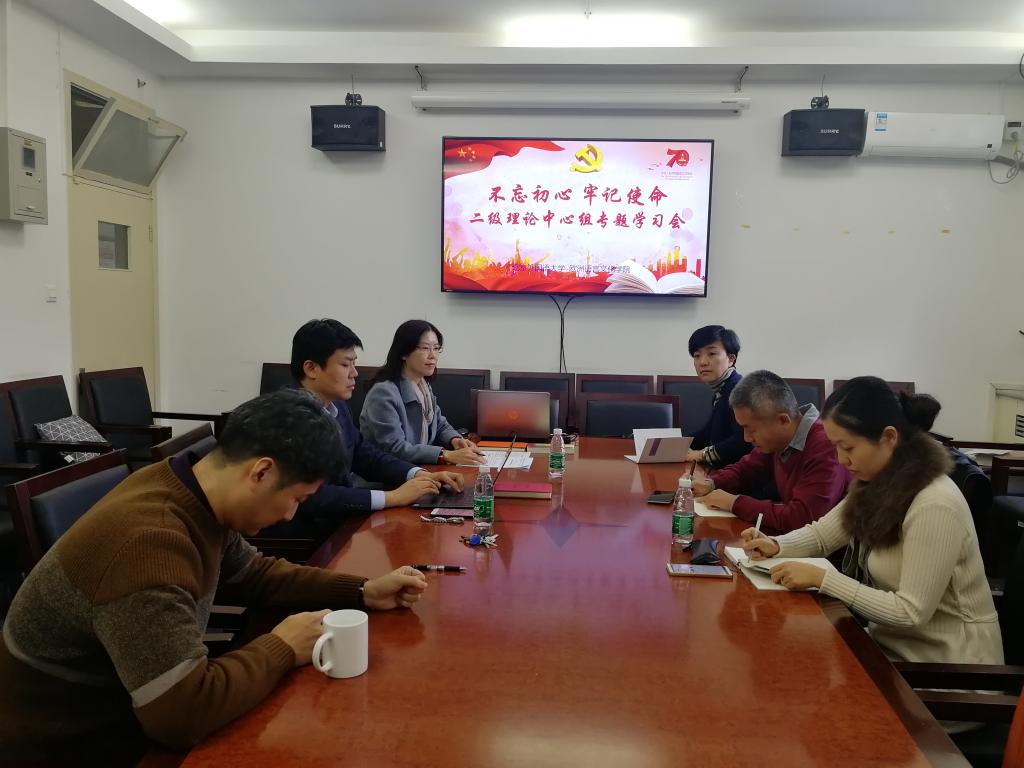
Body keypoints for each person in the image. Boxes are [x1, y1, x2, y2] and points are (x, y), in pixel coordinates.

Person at [0, 389, 430, 765]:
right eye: (297, 499)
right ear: (261, 472)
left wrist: (362, 590)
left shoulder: (193, 489)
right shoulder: (150, 543)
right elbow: (180, 714)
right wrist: (282, 646)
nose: (290, 515)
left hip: (131, 710)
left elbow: (255, 574)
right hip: (78, 747)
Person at [741, 376, 1003, 668]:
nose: (841, 460)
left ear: (889, 438)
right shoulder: (878, 483)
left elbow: (910, 612)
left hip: (948, 669)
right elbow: (822, 536)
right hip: (888, 649)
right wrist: (775, 545)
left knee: (792, 667)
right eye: (835, 447)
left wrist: (824, 579)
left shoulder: (934, 503)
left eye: (848, 448)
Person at [285, 319, 464, 530]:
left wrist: (420, 474)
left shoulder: (337, 406)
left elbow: (366, 455)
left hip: (341, 518)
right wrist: (391, 497)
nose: (354, 373)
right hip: (308, 531)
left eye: (354, 363)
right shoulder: (290, 417)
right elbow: (313, 496)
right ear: (311, 368)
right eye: (345, 364)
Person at [693, 369, 849, 534]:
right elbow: (746, 469)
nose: (746, 438)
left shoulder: (826, 446)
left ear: (783, 420)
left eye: (751, 429)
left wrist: (734, 503)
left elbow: (802, 518)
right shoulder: (778, 440)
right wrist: (712, 483)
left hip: (825, 548)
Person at [361, 319, 485, 466]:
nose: (433, 355)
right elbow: (394, 448)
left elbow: (438, 424)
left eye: (436, 348)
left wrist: (455, 440)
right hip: (384, 475)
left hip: (418, 469)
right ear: (404, 353)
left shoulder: (423, 386)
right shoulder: (383, 393)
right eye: (425, 348)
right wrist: (445, 455)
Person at [684, 325, 752, 468]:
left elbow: (743, 442)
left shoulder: (741, 391)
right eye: (697, 355)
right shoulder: (723, 389)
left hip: (740, 474)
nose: (703, 362)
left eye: (712, 354)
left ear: (731, 359)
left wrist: (701, 454)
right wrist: (671, 443)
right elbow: (707, 434)